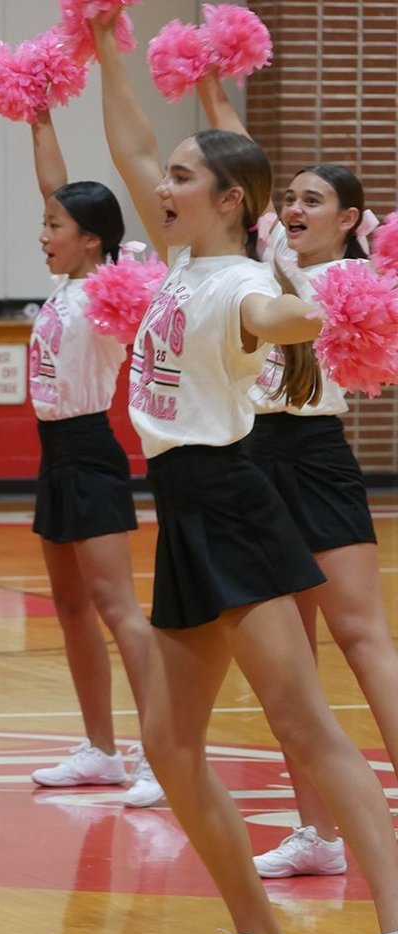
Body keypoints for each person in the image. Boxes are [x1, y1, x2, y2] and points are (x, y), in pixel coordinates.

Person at [90, 16, 398, 934]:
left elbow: (284, 318)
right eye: (169, 176)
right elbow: (131, 147)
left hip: (231, 503)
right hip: (183, 511)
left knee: (306, 726)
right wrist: (105, 44)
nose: (162, 186)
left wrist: (313, 305)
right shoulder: (182, 263)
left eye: (184, 177)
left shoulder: (240, 284)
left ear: (229, 200)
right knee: (170, 745)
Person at [198, 77, 398, 880]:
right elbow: (240, 151)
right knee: (292, 660)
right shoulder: (270, 261)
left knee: (363, 639)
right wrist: (209, 81)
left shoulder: (360, 282)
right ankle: (316, 833)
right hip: (253, 456)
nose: (293, 208)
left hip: (315, 456)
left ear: (349, 220)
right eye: (289, 198)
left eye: (312, 200)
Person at [21, 107, 159, 807]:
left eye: (56, 228)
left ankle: (162, 754)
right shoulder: (65, 286)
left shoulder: (110, 296)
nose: (44, 234)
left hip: (90, 449)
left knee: (117, 607)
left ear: (92, 241)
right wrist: (38, 119)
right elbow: (57, 187)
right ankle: (101, 750)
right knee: (71, 605)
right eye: (45, 224)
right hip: (53, 455)